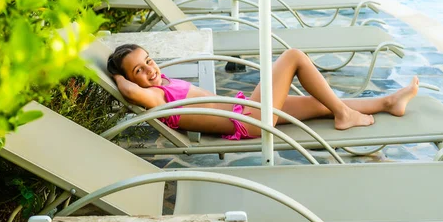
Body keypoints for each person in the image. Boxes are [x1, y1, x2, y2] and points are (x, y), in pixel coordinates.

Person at [108, 44, 419, 140]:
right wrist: (116, 76)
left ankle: (388, 102)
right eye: (139, 71)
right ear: (130, 79)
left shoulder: (162, 84)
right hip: (249, 121)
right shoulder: (155, 97)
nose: (150, 70)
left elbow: (144, 77)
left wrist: (135, 70)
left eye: (149, 61)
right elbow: (132, 94)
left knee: (316, 102)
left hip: (245, 110)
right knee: (294, 56)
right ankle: (344, 114)